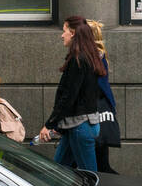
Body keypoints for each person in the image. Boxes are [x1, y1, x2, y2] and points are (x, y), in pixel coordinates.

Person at [36, 15, 104, 171]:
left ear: (72, 33)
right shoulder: (89, 57)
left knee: (90, 177)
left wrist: (49, 124)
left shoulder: (78, 59)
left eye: (64, 30)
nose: (61, 35)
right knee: (57, 172)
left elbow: (68, 97)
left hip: (80, 126)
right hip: (80, 124)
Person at [87, 19, 119, 174]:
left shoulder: (93, 59)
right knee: (100, 162)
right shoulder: (99, 56)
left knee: (100, 165)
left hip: (94, 116)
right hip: (99, 113)